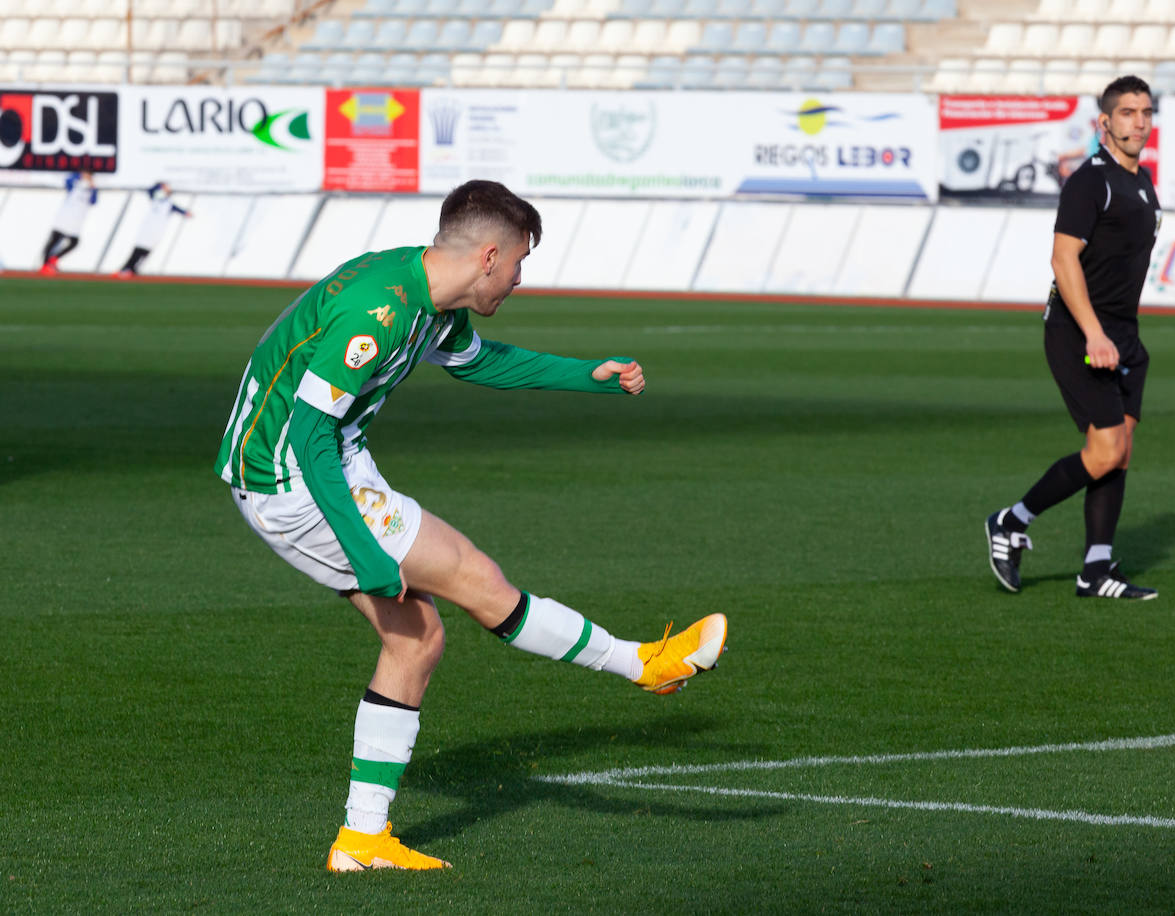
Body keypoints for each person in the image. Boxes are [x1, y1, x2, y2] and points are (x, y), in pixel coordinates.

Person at [214, 180, 728, 872]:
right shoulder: (381, 311)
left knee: (418, 643)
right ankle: (644, 664)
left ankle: (362, 841)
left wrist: (590, 377)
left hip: (328, 461)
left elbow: (482, 362)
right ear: (489, 256)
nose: (519, 279)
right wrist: (367, 553)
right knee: (476, 580)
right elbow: (306, 436)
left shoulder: (428, 295)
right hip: (290, 477)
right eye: (519, 263)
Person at [985, 75, 1161, 601]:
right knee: (1105, 449)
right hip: (1077, 332)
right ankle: (1011, 521)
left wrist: (1119, 335)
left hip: (1124, 335)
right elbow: (1063, 259)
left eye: (1146, 112)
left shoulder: (1143, 182)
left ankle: (1096, 569)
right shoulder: (1092, 180)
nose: (1139, 121)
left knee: (1119, 450)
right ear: (1104, 123)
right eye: (1127, 113)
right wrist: (1093, 333)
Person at [115, 182, 191, 277]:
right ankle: (125, 268)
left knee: (147, 250)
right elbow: (150, 190)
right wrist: (160, 185)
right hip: (147, 228)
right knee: (138, 249)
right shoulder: (156, 199)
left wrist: (186, 213)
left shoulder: (169, 203)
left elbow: (179, 210)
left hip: (157, 230)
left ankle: (133, 269)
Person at [40, 171, 97, 275]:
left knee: (74, 242)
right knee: (53, 241)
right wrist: (80, 176)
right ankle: (45, 265)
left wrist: (93, 187)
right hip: (63, 219)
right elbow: (67, 181)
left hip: (75, 222)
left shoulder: (90, 190)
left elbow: (94, 201)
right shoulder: (75, 185)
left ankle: (53, 260)